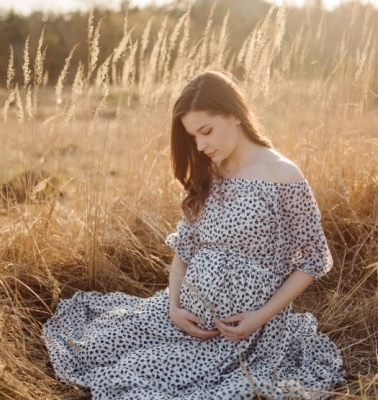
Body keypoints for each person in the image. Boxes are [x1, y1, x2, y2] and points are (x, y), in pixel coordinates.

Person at [42, 69, 344, 399]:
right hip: (182, 315)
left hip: (245, 336)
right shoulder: (209, 172)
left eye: (207, 131)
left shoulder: (283, 176)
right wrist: (173, 306)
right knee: (94, 348)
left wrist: (258, 318)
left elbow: (314, 260)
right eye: (193, 137)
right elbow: (185, 249)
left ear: (234, 115)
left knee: (144, 380)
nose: (200, 146)